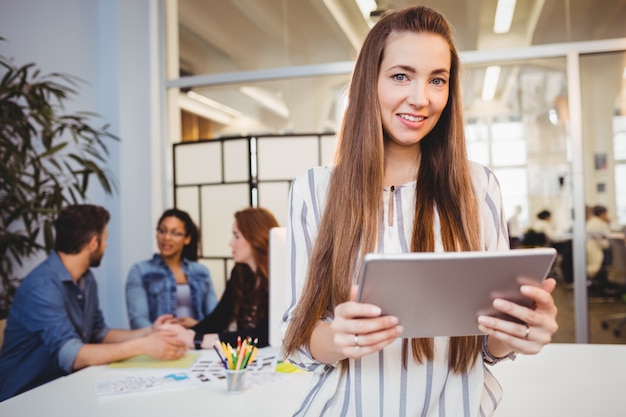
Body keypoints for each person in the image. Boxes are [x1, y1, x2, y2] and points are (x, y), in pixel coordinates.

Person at [281, 7, 558, 417]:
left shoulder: (478, 187)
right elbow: (296, 339)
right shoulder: (315, 189)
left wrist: (517, 332)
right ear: (368, 82)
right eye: (400, 76)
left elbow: (487, 346)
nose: (421, 98)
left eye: (437, 80)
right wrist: (337, 338)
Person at [0, 205, 187, 402]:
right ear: (93, 243)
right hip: (22, 396)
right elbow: (71, 355)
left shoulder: (86, 279)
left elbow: (100, 333)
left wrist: (149, 332)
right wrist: (143, 346)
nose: (106, 246)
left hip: (63, 388)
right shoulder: (41, 287)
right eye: (105, 240)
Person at [177, 207, 279, 350]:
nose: (231, 243)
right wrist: (184, 334)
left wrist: (197, 340)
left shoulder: (280, 277)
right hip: (245, 359)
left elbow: (263, 335)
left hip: (273, 359)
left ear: (255, 238)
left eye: (237, 236)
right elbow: (219, 318)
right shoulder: (240, 272)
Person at [125, 208, 218, 329]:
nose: (166, 237)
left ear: (187, 239)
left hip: (196, 341)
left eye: (175, 233)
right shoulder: (140, 271)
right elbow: (138, 320)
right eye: (162, 231)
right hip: (158, 343)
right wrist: (161, 334)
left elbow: (215, 318)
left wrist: (198, 326)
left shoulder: (201, 272)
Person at [586, 204, 611, 281]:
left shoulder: (592, 221)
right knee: (594, 267)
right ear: (602, 213)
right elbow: (605, 239)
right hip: (595, 248)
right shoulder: (598, 223)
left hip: (591, 246)